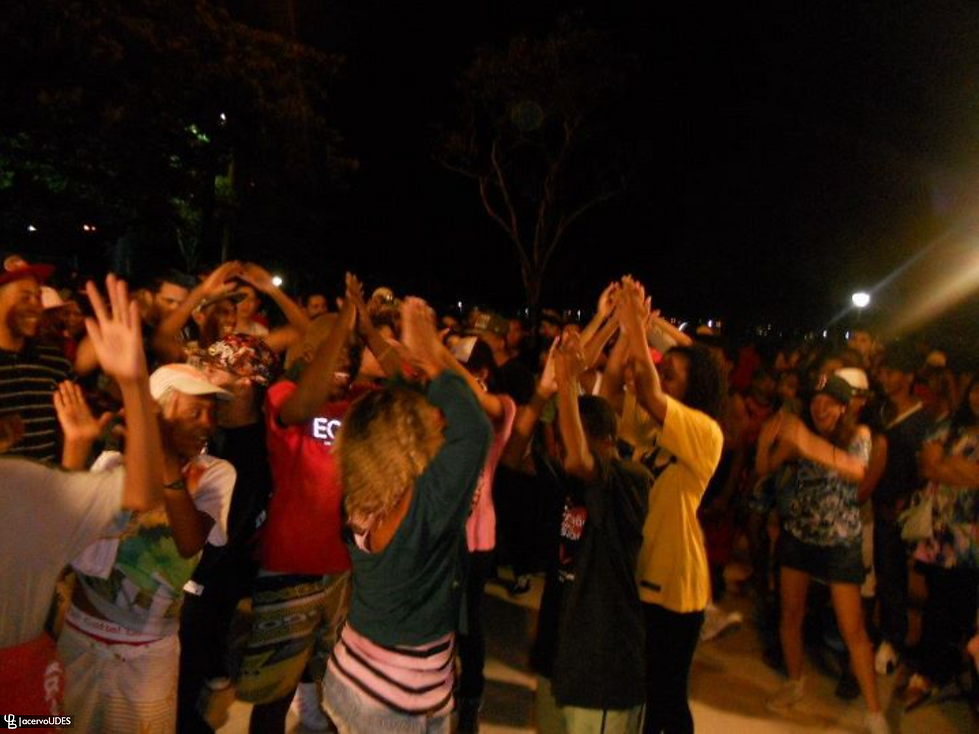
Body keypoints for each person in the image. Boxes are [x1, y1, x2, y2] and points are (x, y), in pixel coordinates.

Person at [321, 297, 492, 733]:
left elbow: (399, 397)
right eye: (423, 423)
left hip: (363, 676)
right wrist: (433, 353)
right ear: (406, 443)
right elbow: (474, 428)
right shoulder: (422, 509)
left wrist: (400, 351)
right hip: (390, 702)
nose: (437, 424)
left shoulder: (368, 490)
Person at [0, 274, 164, 723]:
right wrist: (133, 384)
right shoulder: (19, 484)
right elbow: (142, 492)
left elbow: (137, 493)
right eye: (24, 292)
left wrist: (131, 388)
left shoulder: (20, 482)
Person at [58, 362, 236, 733]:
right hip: (82, 639)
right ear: (157, 415)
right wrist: (75, 446)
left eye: (212, 413)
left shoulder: (213, 473)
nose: (207, 423)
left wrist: (166, 460)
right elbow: (65, 542)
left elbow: (189, 543)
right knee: (59, 723)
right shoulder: (113, 465)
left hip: (147, 654)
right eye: (194, 412)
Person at [234, 275, 367, 733]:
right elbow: (302, 405)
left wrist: (362, 324)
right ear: (312, 356)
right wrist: (340, 326)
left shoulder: (355, 406)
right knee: (273, 692)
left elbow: (406, 384)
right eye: (338, 353)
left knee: (324, 679)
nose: (347, 362)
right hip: (289, 564)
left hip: (338, 566)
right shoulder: (283, 396)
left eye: (352, 354)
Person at [612, 278, 724, 734]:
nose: (658, 374)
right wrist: (625, 327)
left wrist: (639, 324)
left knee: (667, 699)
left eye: (670, 373)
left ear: (691, 386)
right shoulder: (649, 427)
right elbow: (615, 384)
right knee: (640, 690)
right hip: (642, 573)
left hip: (677, 586)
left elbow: (651, 390)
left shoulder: (702, 432)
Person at [757, 374, 888, 733]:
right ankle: (796, 681)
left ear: (844, 407)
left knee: (853, 629)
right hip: (800, 535)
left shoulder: (858, 436)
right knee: (790, 614)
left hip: (840, 542)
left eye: (829, 402)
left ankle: (875, 712)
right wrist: (767, 440)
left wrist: (804, 441)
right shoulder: (802, 437)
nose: (820, 408)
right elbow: (764, 468)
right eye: (815, 401)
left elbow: (855, 471)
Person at [177, 334, 280, 733]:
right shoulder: (213, 427)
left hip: (208, 585)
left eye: (216, 368)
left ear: (245, 383)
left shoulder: (252, 451)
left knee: (185, 677)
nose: (204, 372)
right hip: (195, 581)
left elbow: (221, 541)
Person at [900, 375, 979, 710]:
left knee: (964, 607)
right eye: (977, 389)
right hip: (941, 533)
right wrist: (961, 470)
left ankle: (952, 668)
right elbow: (929, 466)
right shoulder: (950, 426)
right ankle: (932, 670)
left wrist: (950, 466)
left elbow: (955, 471)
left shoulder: (950, 435)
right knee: (936, 604)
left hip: (973, 541)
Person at [870, 345, 932, 676]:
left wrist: (907, 499)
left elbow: (924, 469)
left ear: (908, 378)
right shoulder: (877, 410)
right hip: (868, 503)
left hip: (896, 510)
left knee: (893, 575)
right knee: (872, 572)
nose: (884, 378)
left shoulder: (921, 420)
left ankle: (893, 639)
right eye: (882, 372)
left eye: (891, 373)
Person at [0, 254, 73, 463]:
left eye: (38, 296)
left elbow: (65, 433)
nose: (37, 306)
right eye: (25, 297)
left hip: (46, 489)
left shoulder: (55, 361)